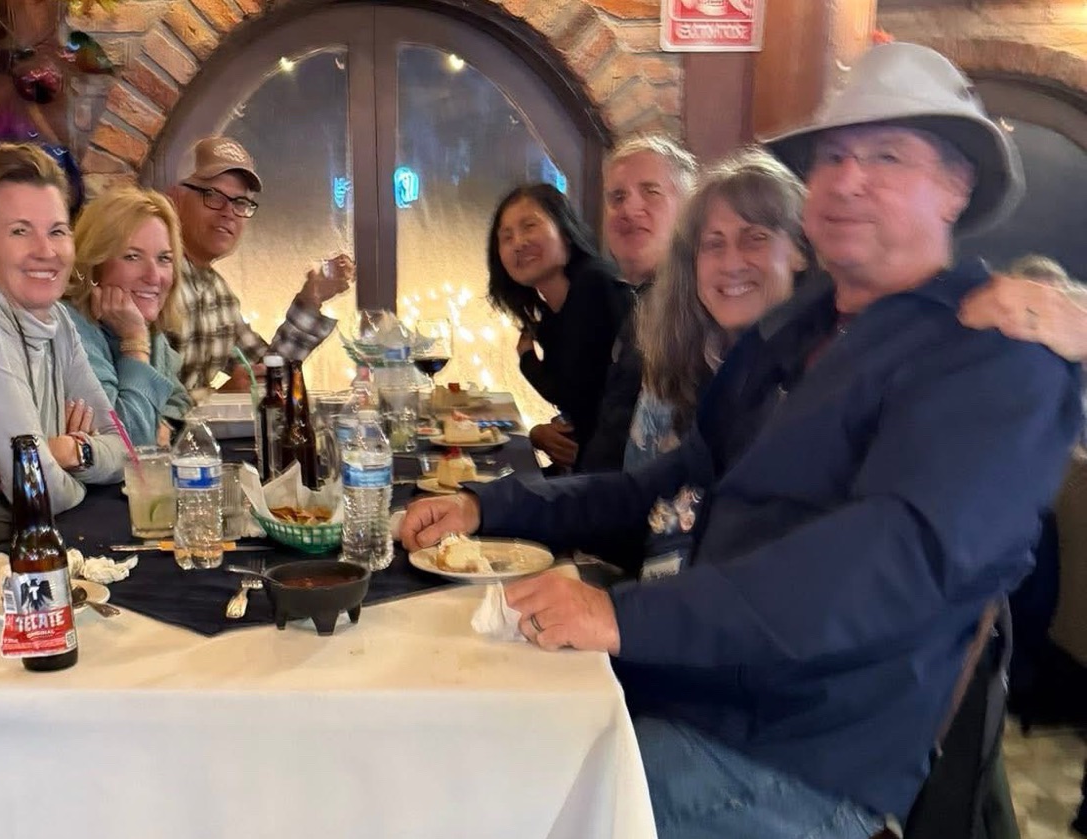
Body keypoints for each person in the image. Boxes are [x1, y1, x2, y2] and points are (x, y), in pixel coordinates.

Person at [400, 43, 1082, 838]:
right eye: (831, 157)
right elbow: (665, 486)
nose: (849, 179)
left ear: (956, 185)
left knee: (482, 808)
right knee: (442, 728)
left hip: (795, 761)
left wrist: (627, 616)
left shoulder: (996, 349)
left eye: (888, 155)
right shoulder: (796, 330)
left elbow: (887, 564)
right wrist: (492, 504)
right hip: (689, 686)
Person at [0, 143, 126, 556]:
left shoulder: (59, 322)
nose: (46, 251)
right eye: (20, 231)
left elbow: (125, 448)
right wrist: (73, 468)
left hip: (42, 550)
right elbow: (41, 491)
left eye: (57, 230)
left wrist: (72, 449)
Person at [628, 148, 809, 470]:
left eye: (755, 238)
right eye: (714, 243)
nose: (732, 263)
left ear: (801, 252)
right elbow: (633, 499)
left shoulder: (827, 374)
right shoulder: (673, 371)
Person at [166, 136, 354, 394]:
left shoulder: (218, 293)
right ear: (175, 198)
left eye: (240, 202)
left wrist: (311, 300)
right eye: (213, 195)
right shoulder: (152, 283)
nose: (228, 212)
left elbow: (265, 373)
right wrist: (220, 400)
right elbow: (139, 412)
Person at [555, 134, 697, 472]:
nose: (629, 209)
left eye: (651, 192)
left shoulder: (698, 314)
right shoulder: (643, 304)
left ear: (690, 210)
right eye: (617, 197)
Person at [487, 184, 626, 468]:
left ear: (565, 231)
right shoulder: (552, 316)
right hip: (590, 471)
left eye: (529, 226)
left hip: (613, 481)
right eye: (507, 236)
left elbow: (590, 399)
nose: (518, 243)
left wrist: (527, 361)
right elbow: (573, 394)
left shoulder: (595, 286)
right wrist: (537, 435)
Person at [65, 187, 193, 447]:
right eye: (132, 256)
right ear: (94, 265)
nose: (154, 276)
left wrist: (165, 423)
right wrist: (135, 343)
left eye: (164, 259)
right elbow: (130, 443)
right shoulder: (71, 330)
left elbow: (179, 400)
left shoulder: (149, 330)